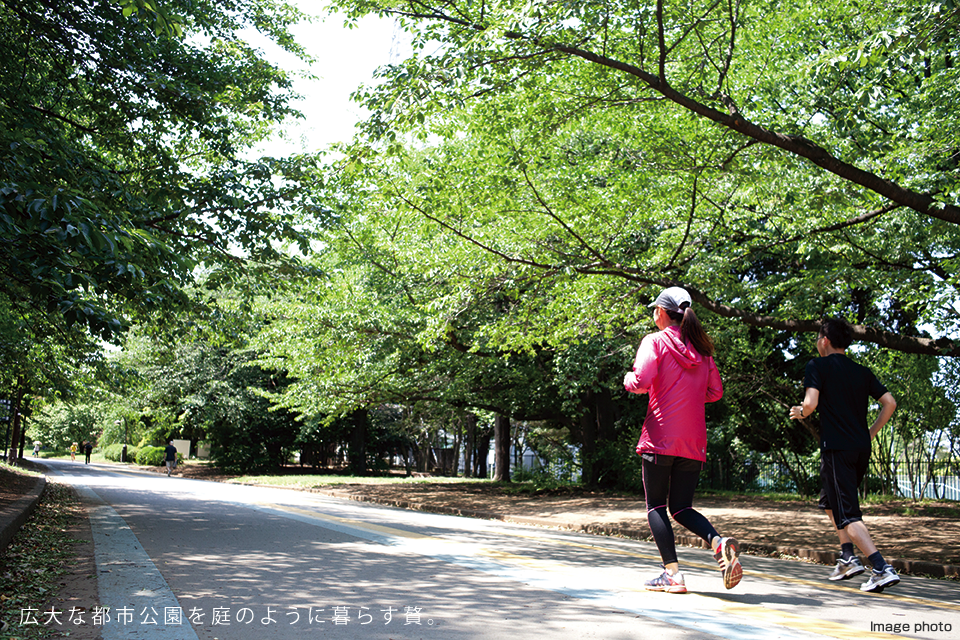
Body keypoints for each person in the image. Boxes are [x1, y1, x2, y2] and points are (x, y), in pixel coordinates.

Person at [624, 286, 741, 594]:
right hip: (693, 443)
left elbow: (641, 381)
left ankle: (673, 575)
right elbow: (715, 392)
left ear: (662, 313)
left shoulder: (654, 341)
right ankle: (717, 542)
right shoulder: (702, 351)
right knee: (681, 507)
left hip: (660, 438)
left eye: (654, 309)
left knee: (655, 507)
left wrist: (628, 379)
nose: (653, 314)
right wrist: (689, 394)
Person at [789, 317, 899, 593]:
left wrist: (800, 412)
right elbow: (890, 402)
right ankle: (848, 557)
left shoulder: (817, 365)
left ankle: (880, 567)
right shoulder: (862, 371)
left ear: (824, 340)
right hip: (860, 449)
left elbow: (810, 403)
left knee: (848, 513)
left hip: (837, 449)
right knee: (830, 503)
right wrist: (870, 433)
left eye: (817, 338)